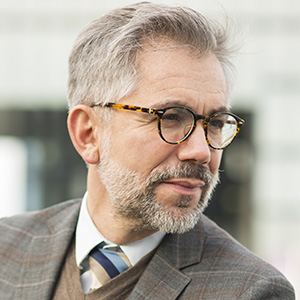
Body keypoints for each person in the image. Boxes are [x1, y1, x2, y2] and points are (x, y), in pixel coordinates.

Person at [0, 2, 295, 299]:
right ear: (88, 133)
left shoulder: (250, 291)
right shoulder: (6, 249)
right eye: (171, 118)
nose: (202, 151)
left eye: (215, 123)